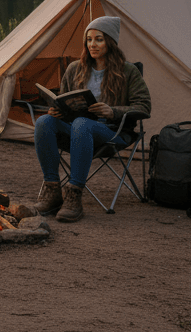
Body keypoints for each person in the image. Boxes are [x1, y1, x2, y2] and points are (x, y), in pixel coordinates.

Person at [32, 16, 151, 222]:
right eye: (89, 40)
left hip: (112, 131)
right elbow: (64, 100)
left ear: (110, 42)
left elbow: (144, 106)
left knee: (82, 123)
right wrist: (58, 111)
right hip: (77, 131)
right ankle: (52, 191)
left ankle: (74, 195)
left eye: (99, 39)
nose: (92, 45)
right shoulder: (74, 69)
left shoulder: (128, 71)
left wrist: (112, 111)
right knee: (44, 122)